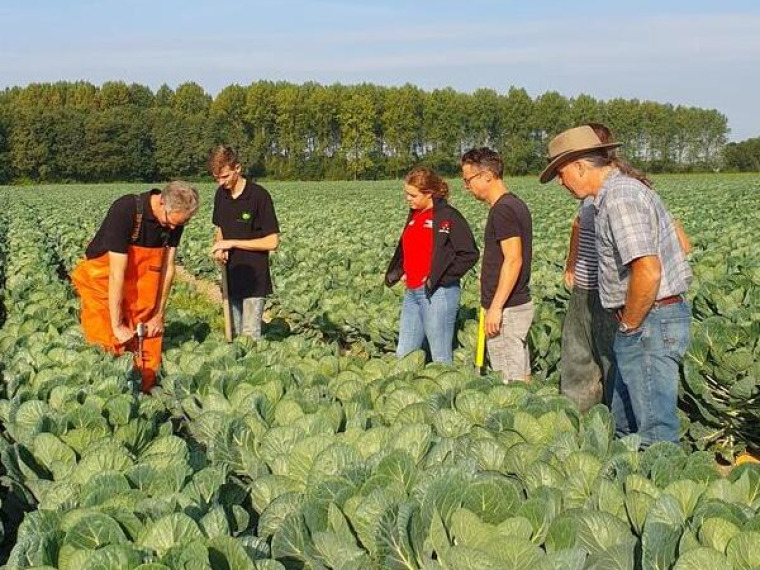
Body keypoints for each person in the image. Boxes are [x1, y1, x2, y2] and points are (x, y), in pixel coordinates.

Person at [541, 125, 692, 446]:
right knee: (625, 425)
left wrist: (630, 326)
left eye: (561, 172)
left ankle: (656, 489)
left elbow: (648, 271)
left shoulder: (620, 198)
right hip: (642, 320)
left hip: (649, 321)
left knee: (654, 430)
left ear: (580, 166)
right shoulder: (607, 197)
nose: (560, 182)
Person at [71, 181, 199, 392]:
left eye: (180, 224)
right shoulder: (127, 210)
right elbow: (116, 273)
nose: (174, 229)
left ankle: (145, 397)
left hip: (142, 285)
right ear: (162, 202)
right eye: (170, 223)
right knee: (107, 346)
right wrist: (117, 324)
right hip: (103, 284)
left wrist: (158, 313)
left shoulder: (175, 221)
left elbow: (168, 268)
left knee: (148, 348)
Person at [385, 166, 479, 363]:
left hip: (438, 294)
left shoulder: (448, 216)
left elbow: (469, 254)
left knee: (440, 355)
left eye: (412, 195)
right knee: (404, 354)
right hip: (412, 293)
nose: (407, 199)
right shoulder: (414, 215)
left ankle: (446, 391)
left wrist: (440, 278)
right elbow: (412, 250)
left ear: (428, 194)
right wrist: (403, 271)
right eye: (406, 194)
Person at [461, 148, 534, 382]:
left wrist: (495, 307)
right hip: (510, 307)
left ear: (487, 176)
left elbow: (513, 259)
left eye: (468, 180)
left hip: (506, 310)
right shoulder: (513, 204)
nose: (466, 186)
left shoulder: (503, 209)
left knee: (509, 379)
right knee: (520, 372)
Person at [208, 145, 280, 340]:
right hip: (230, 276)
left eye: (225, 176)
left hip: (254, 279)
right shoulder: (220, 195)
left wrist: (232, 243)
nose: (221, 182)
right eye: (216, 178)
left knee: (249, 337)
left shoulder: (258, 196)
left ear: (237, 168)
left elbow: (272, 241)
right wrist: (219, 248)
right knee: (234, 333)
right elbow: (220, 228)